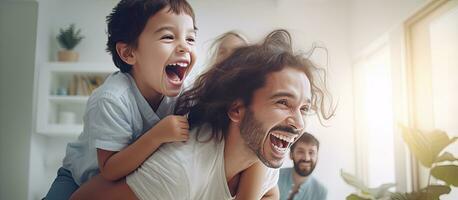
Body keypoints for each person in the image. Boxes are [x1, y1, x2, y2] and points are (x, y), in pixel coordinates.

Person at [70, 29, 335, 200]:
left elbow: (269, 192)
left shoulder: (264, 158)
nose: (299, 123)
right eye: (283, 102)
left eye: (304, 108)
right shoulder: (180, 173)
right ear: (236, 109)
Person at [44, 0, 197, 199]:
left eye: (191, 38)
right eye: (168, 37)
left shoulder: (184, 95)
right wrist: (157, 135)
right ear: (128, 53)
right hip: (78, 179)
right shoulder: (111, 99)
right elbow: (109, 169)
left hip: (125, 183)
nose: (184, 47)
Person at [278, 132, 327, 200]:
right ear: (291, 155)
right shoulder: (275, 177)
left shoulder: (321, 192)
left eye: (311, 152)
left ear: (317, 157)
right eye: (300, 151)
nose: (306, 158)